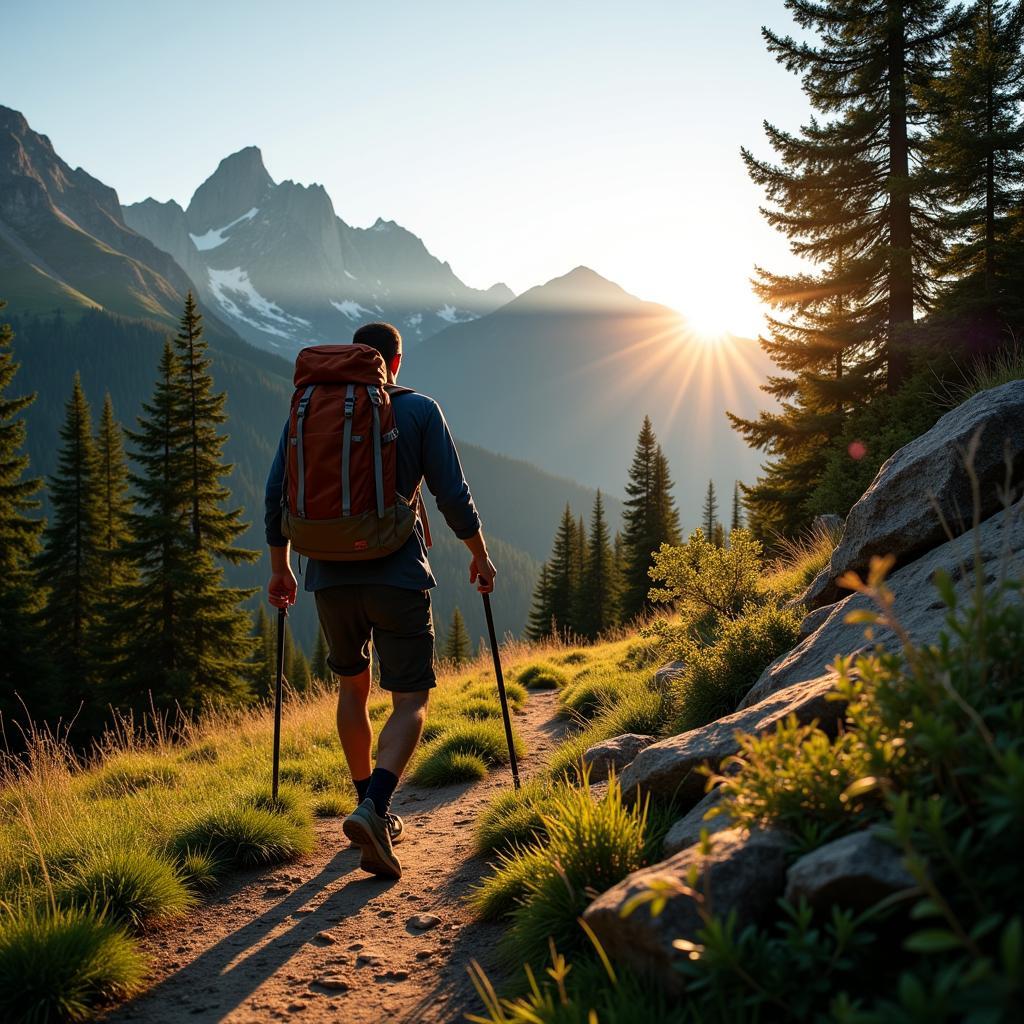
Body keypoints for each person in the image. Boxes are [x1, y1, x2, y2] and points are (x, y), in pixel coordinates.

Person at [264, 322, 496, 880]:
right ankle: (375, 808)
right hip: (397, 574)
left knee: (353, 688)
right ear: (395, 361)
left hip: (327, 576)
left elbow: (276, 493)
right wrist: (479, 555)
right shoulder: (418, 410)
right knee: (410, 699)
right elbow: (451, 494)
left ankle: (365, 800)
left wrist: (280, 570)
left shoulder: (307, 410)